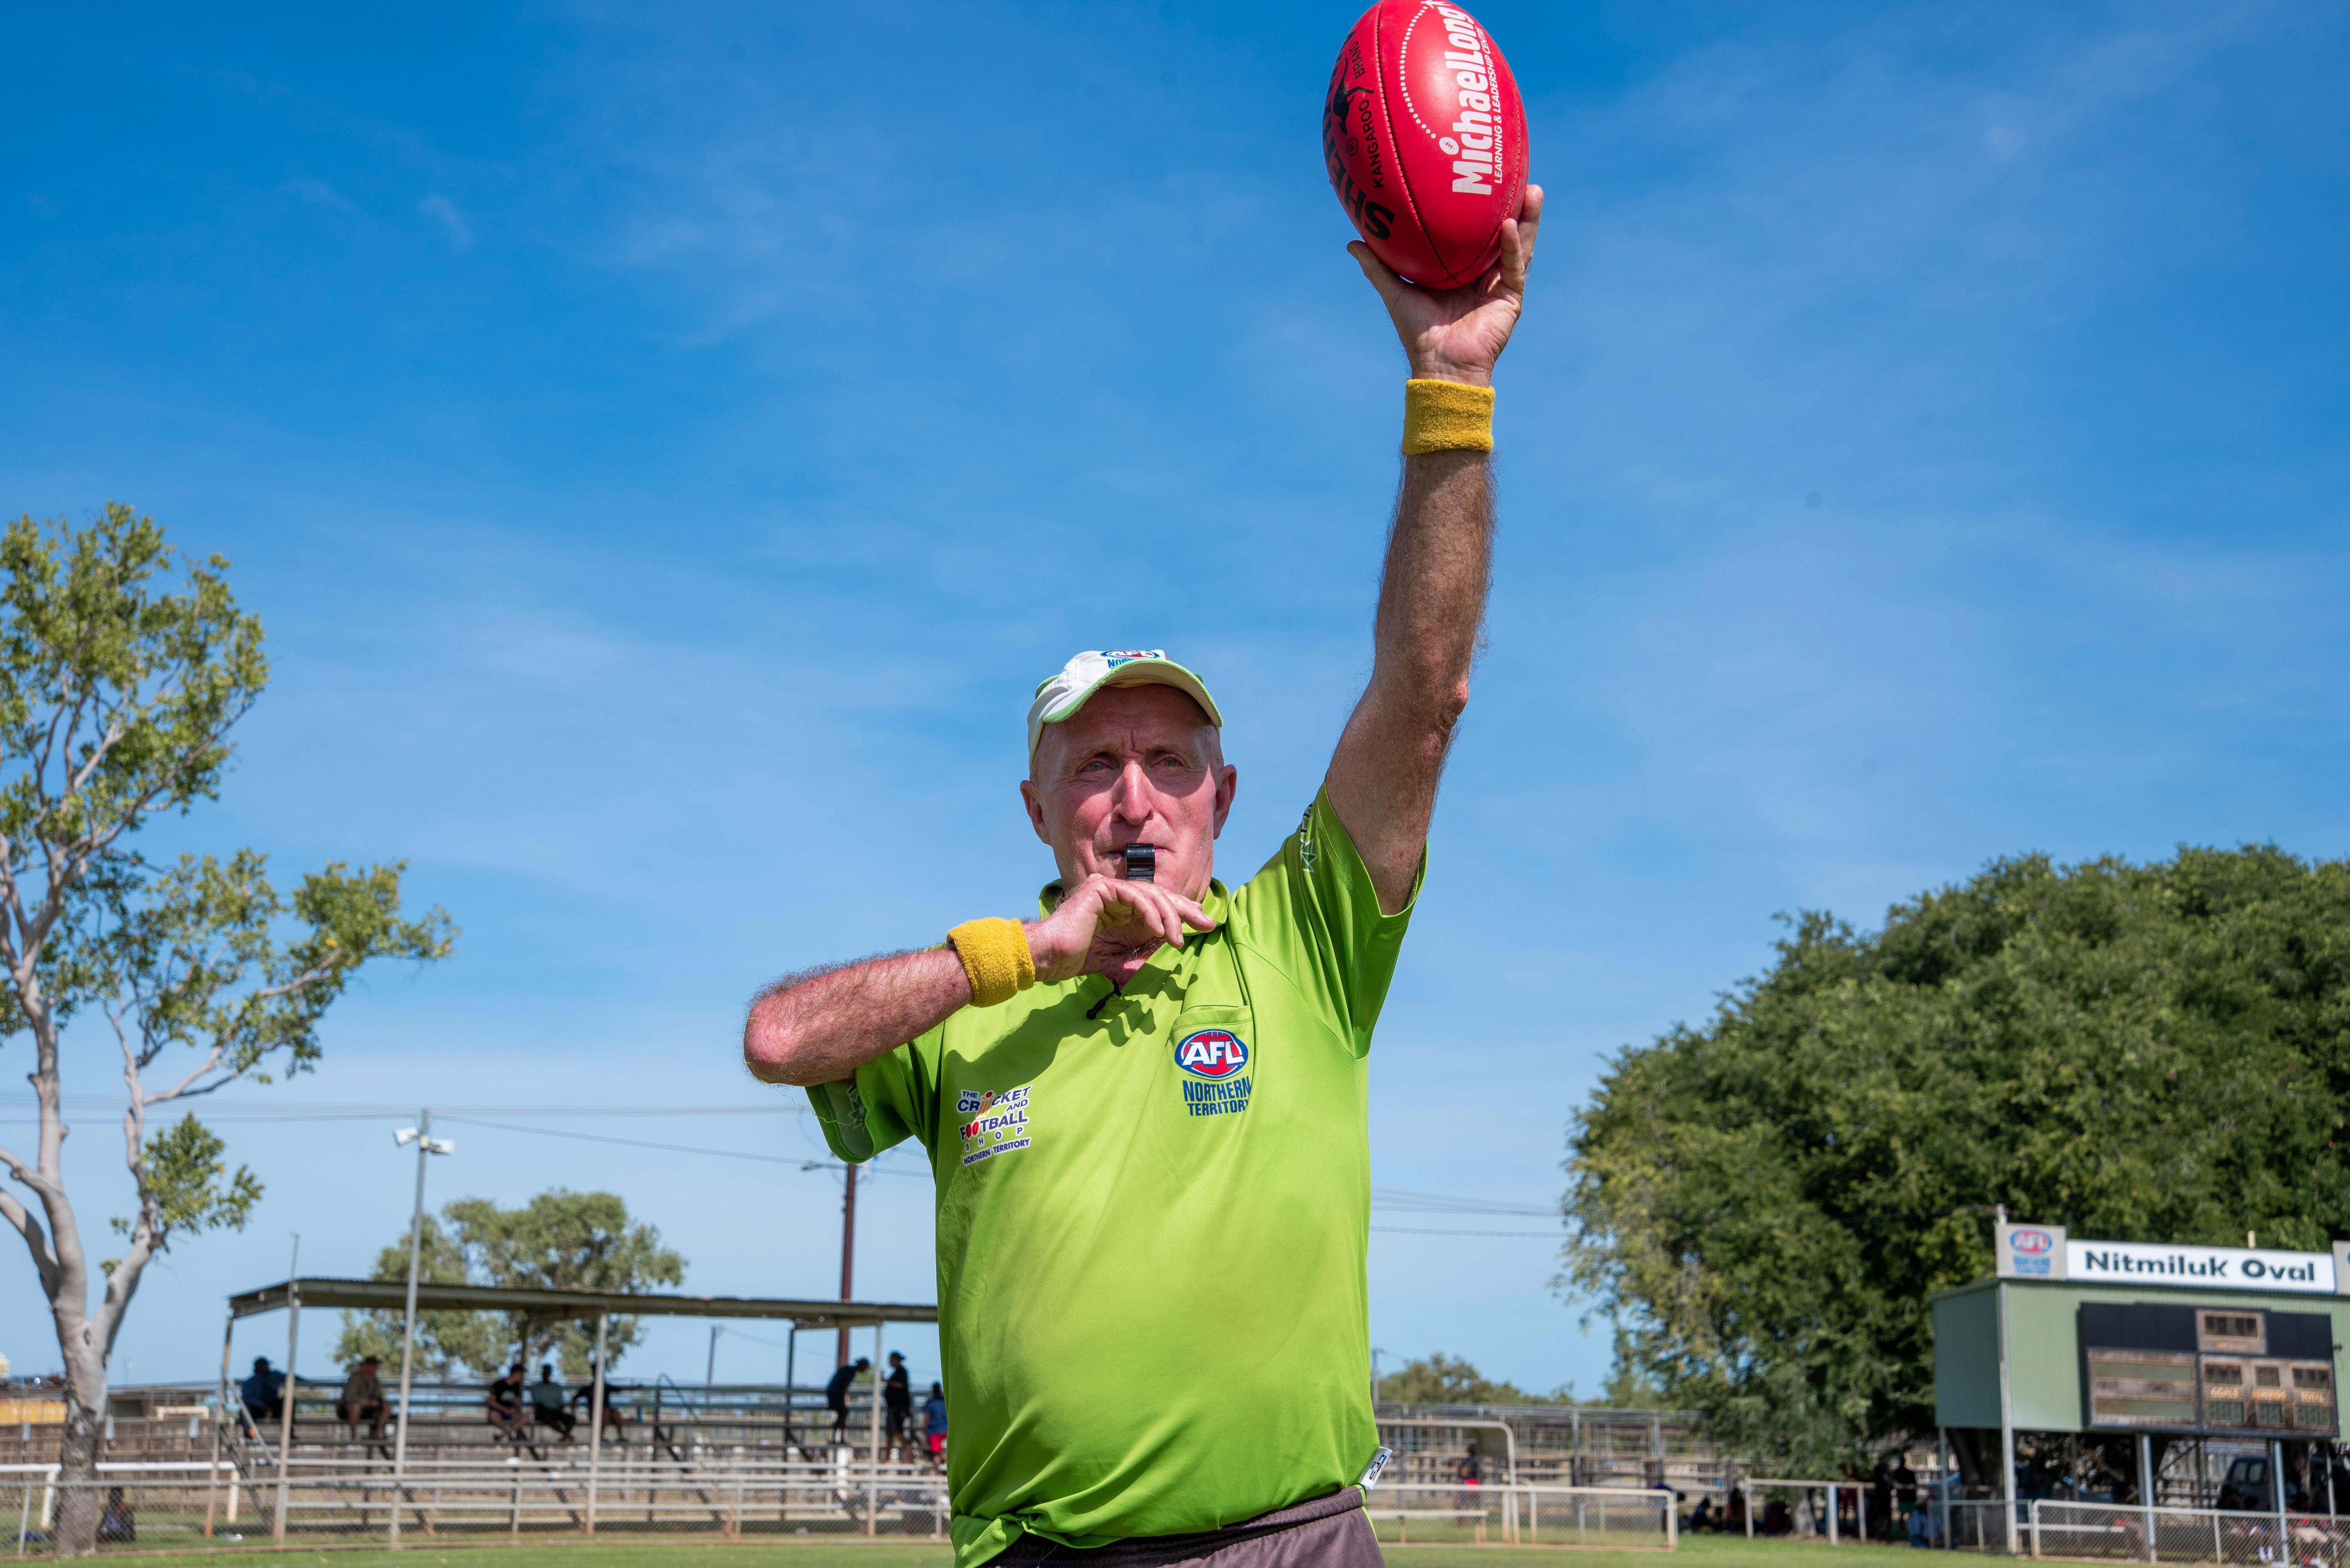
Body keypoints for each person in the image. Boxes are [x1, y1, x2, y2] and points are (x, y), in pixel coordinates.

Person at [744, 182, 1543, 1568]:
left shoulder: (1301, 937)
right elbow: (777, 1037)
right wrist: (1026, 953)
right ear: (1039, 805)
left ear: (1219, 795)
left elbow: (1422, 690)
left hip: (1293, 1537)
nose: (1132, 792)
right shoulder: (978, 991)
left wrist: (1449, 383)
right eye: (1093, 762)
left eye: (1167, 759)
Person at [336, 1354, 387, 1440]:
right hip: (347, 1409)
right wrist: (368, 1402)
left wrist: (378, 1403)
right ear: (366, 1366)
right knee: (356, 1407)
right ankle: (353, 1434)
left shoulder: (375, 1380)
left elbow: (379, 1395)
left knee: (386, 1407)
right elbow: (350, 1398)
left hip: (367, 1410)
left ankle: (377, 1433)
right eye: (372, 1365)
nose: (375, 1368)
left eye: (375, 1365)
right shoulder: (355, 1378)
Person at [824, 1357, 869, 1445]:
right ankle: (838, 1439)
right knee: (843, 1413)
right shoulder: (851, 1371)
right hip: (835, 1393)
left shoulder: (850, 1370)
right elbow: (844, 1386)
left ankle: (837, 1439)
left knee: (842, 1414)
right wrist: (843, 1399)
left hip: (834, 1392)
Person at [529, 1364, 576, 1440]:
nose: (546, 1374)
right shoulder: (536, 1387)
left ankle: (565, 1436)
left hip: (555, 1412)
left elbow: (561, 1404)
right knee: (548, 1417)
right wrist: (551, 1411)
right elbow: (538, 1404)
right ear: (542, 1373)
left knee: (572, 1419)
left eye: (548, 1372)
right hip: (543, 1413)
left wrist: (557, 1410)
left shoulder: (556, 1387)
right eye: (545, 1372)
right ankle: (566, 1435)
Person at [883, 1352, 914, 1463]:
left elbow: (901, 1385)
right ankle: (887, 1458)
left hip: (898, 1408)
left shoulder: (901, 1372)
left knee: (897, 1432)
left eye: (891, 1359)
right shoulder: (898, 1372)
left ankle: (911, 1454)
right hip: (894, 1408)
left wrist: (887, 1382)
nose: (890, 1362)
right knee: (891, 1433)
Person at [239, 1357, 284, 1431]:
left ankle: (289, 1433)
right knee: (244, 1412)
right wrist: (262, 1405)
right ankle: (251, 1435)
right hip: (259, 1408)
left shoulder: (275, 1376)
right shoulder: (250, 1382)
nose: (268, 1368)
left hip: (273, 1405)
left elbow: (291, 1378)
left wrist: (309, 1384)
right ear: (259, 1368)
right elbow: (248, 1398)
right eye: (266, 1366)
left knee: (287, 1402)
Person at [486, 1365, 527, 1439]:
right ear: (515, 1373)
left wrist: (514, 1409)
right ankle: (509, 1433)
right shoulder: (499, 1384)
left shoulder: (517, 1386)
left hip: (511, 1414)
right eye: (521, 1374)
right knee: (492, 1416)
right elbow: (491, 1402)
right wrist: (505, 1409)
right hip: (499, 1413)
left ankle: (502, 1435)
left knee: (527, 1417)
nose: (523, 1377)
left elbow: (517, 1402)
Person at [924, 1382, 948, 1472]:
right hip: (946, 1430)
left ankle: (938, 1474)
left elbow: (927, 1418)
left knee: (936, 1454)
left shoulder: (930, 1403)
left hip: (934, 1432)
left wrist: (924, 1433)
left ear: (933, 1391)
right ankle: (944, 1458)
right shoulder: (945, 1401)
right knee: (947, 1450)